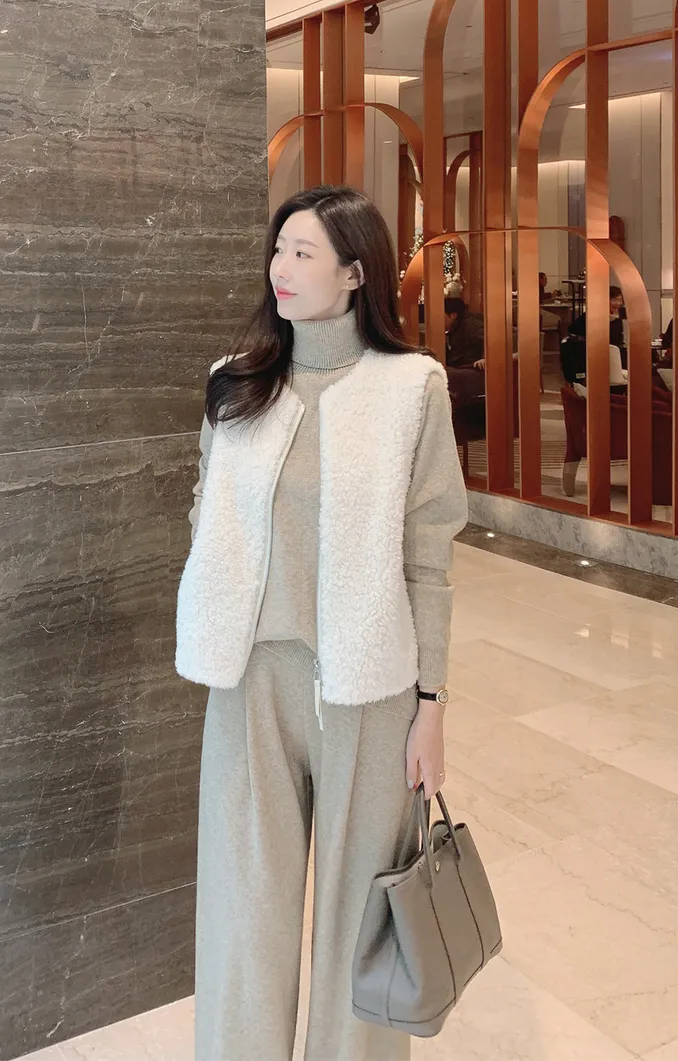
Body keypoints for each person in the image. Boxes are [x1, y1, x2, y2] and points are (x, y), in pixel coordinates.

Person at [175, 185, 468, 1061]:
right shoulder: (237, 382)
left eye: (304, 252)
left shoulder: (411, 388)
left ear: (354, 272)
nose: (282, 267)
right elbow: (205, 509)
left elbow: (428, 555)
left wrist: (431, 705)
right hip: (251, 683)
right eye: (279, 249)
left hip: (367, 692)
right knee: (243, 910)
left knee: (359, 921)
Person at [445, 295, 485, 367]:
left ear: (453, 315)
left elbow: (487, 340)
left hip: (471, 366)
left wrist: (485, 358)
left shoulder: (470, 325)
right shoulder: (457, 326)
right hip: (463, 365)